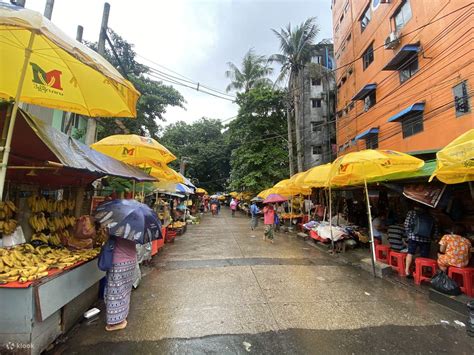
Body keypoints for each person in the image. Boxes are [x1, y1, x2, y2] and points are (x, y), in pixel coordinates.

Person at [105, 237, 137, 331]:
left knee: (115, 292)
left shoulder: (117, 227)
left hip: (118, 262)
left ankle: (116, 322)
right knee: (125, 291)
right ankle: (122, 317)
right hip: (131, 260)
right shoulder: (134, 228)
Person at [404, 204, 437, 278]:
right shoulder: (431, 215)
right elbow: (435, 228)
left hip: (413, 237)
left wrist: (409, 234)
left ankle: (407, 271)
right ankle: (423, 272)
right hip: (426, 239)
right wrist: (434, 237)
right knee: (424, 256)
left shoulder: (412, 213)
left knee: (410, 253)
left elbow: (406, 225)